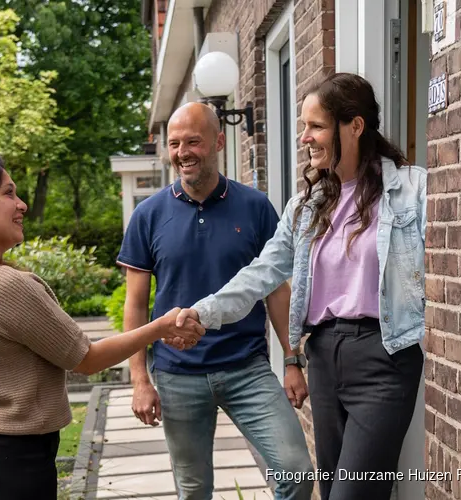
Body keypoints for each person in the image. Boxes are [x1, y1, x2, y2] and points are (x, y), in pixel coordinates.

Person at [175, 73, 427, 500]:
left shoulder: (412, 190)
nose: (305, 138)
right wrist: (204, 312)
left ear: (355, 126)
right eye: (303, 127)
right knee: (331, 490)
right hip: (325, 358)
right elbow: (261, 273)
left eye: (315, 126)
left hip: (384, 356)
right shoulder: (306, 207)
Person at [0, 151, 206, 500]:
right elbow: (86, 359)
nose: (21, 205)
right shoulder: (4, 285)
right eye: (8, 193)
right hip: (12, 457)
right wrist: (161, 326)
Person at [117, 102, 314, 500]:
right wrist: (140, 380)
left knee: (295, 471)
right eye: (174, 143)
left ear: (219, 142)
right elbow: (136, 305)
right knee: (194, 491)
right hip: (177, 375)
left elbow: (276, 289)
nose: (182, 152)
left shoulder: (255, 207)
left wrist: (292, 360)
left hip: (247, 369)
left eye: (193, 141)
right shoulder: (148, 215)